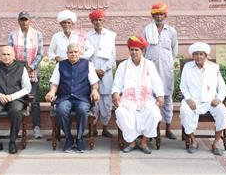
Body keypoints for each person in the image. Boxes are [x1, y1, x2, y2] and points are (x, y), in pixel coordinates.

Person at [112, 36, 165, 154]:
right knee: (121, 113)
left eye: (137, 49)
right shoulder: (123, 66)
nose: (134, 52)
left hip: (147, 101)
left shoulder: (150, 65)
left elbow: (157, 83)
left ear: (142, 50)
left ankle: (144, 142)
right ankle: (131, 142)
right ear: (129, 50)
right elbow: (117, 84)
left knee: (154, 113)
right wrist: (115, 93)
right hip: (128, 102)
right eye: (132, 49)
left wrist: (160, 95)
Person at [45, 43, 100, 153]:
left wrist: (94, 90)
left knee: (82, 110)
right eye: (71, 52)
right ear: (67, 53)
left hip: (82, 98)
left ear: (80, 53)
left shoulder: (87, 64)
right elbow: (54, 83)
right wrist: (51, 91)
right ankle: (69, 138)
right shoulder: (60, 65)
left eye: (76, 52)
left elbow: (94, 83)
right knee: (61, 110)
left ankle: (79, 139)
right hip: (65, 97)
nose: (73, 54)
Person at [180, 42, 226, 156]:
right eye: (196, 54)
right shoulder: (187, 67)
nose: (199, 57)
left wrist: (219, 99)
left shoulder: (214, 68)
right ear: (193, 56)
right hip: (193, 100)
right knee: (185, 111)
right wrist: (188, 99)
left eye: (201, 54)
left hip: (210, 101)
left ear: (206, 56)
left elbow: (222, 87)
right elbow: (183, 86)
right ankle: (193, 141)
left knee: (222, 111)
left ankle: (216, 143)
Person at [0, 46, 31, 155]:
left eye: (8, 54)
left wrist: (11, 97)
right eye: (4, 54)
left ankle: (12, 141)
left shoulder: (21, 68)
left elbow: (27, 88)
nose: (6, 57)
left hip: (15, 98)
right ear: (0, 56)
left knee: (16, 111)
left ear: (13, 55)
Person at [142, 2, 178, 140]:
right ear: (152, 16)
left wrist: (165, 61)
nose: (159, 17)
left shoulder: (172, 31)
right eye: (156, 14)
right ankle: (153, 130)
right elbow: (142, 49)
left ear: (165, 15)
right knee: (150, 98)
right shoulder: (146, 30)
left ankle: (168, 128)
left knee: (167, 98)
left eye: (161, 14)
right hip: (150, 70)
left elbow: (174, 51)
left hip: (166, 70)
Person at [7, 11, 44, 139]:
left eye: (26, 20)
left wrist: (31, 66)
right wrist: (20, 67)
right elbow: (10, 53)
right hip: (16, 73)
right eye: (22, 20)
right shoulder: (13, 35)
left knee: (34, 101)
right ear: (18, 21)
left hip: (32, 72)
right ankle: (15, 128)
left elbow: (40, 54)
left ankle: (36, 127)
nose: (24, 22)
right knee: (16, 99)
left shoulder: (37, 34)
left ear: (30, 21)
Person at [86, 9, 116, 138]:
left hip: (106, 72)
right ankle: (92, 128)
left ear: (104, 21)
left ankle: (105, 128)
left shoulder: (110, 35)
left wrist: (103, 69)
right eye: (95, 20)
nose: (98, 22)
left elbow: (113, 56)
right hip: (91, 72)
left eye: (100, 20)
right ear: (92, 22)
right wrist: (93, 70)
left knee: (106, 102)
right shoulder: (87, 36)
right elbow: (85, 55)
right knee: (93, 101)